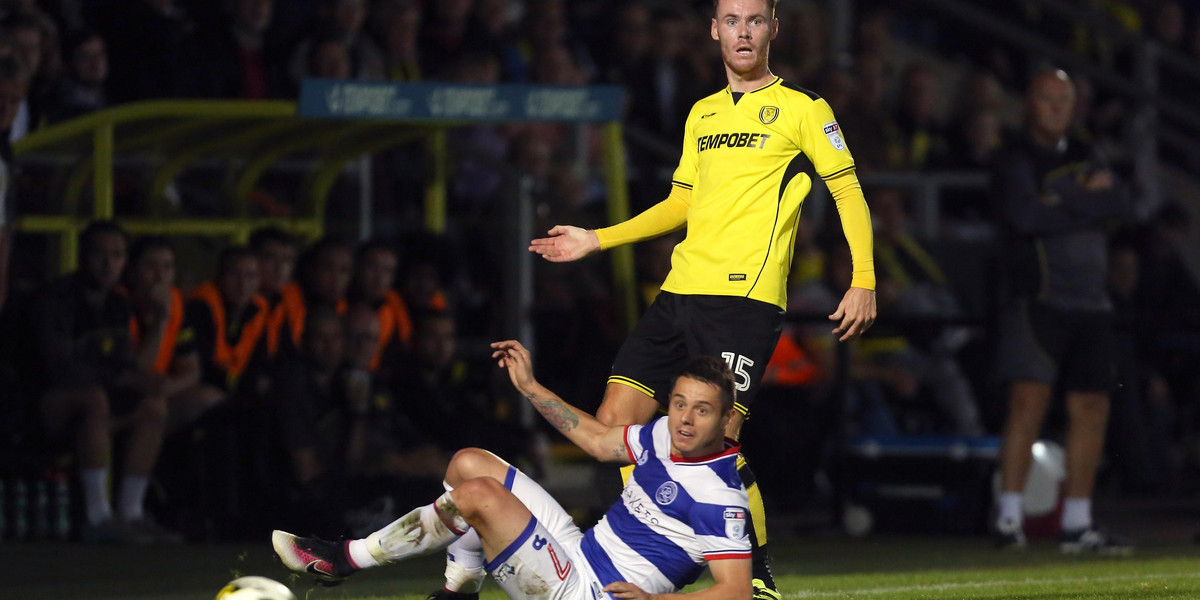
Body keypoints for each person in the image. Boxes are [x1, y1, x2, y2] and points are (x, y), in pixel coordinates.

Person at [526, 1, 876, 597]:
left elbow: (848, 192)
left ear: (772, 29)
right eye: (731, 20)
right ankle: (649, 544)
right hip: (679, 290)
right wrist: (598, 238)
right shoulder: (702, 113)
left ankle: (754, 579)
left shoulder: (803, 110)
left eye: (755, 20)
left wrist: (863, 278)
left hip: (744, 301)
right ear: (714, 30)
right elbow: (680, 203)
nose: (743, 31)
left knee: (719, 441)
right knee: (615, 423)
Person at [274, 344, 753, 600]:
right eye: (679, 404)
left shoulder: (720, 496)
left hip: (588, 595)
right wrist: (529, 386)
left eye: (703, 410)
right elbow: (596, 439)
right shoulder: (664, 435)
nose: (686, 419)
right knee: (468, 463)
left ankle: (343, 559)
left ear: (727, 417)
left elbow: (736, 594)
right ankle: (460, 590)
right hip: (578, 552)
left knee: (479, 495)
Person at [991, 68, 1132, 554]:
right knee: (1028, 403)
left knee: (1092, 407)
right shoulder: (1013, 157)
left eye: (1064, 99)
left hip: (1091, 302)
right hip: (1040, 300)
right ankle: (1010, 518)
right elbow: (1026, 215)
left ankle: (1078, 522)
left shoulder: (1086, 152)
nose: (1056, 108)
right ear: (1030, 103)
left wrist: (1061, 198)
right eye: (1047, 98)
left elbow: (1119, 202)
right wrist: (1082, 197)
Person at [21, 221, 177, 543]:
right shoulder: (56, 300)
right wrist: (124, 377)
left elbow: (127, 367)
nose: (109, 265)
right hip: (38, 407)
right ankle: (98, 517)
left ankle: (131, 513)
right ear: (83, 258)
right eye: (100, 255)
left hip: (100, 406)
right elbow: (59, 370)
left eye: (117, 255)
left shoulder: (117, 305)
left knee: (153, 404)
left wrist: (160, 322)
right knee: (94, 398)